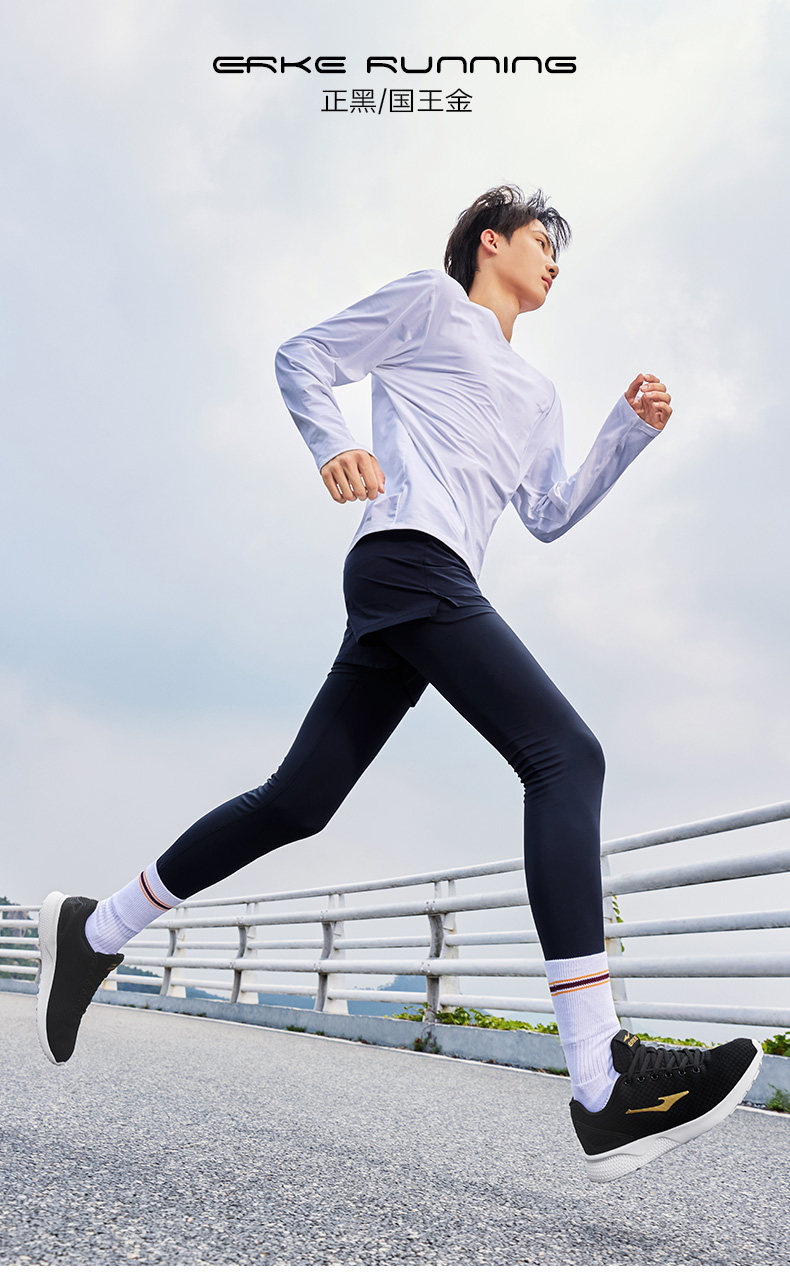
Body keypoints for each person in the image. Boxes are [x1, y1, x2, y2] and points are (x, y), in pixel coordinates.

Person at [36, 184, 762, 1183]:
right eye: (541, 239)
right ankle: (601, 1077)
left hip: (432, 579)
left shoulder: (538, 394)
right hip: (405, 559)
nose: (554, 259)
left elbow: (547, 512)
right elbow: (302, 358)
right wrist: (335, 442)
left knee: (298, 802)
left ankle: (97, 926)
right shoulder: (431, 302)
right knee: (567, 755)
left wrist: (623, 432)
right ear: (490, 242)